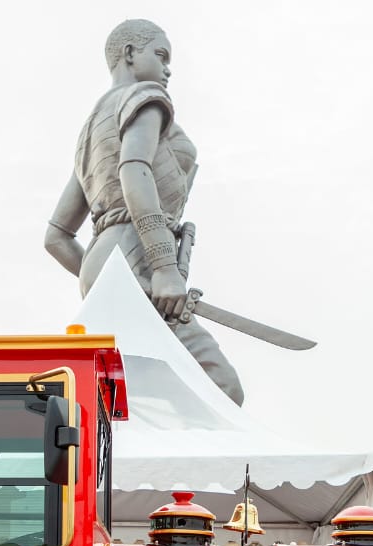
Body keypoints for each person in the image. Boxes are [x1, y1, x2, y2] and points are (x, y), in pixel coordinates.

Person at [45, 19, 245, 406]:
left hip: (106, 260)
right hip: (139, 253)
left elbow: (56, 237)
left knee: (133, 394)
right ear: (130, 54)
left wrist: (108, 278)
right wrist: (164, 268)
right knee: (220, 385)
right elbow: (134, 168)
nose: (168, 69)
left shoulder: (92, 131)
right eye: (161, 55)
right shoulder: (145, 97)